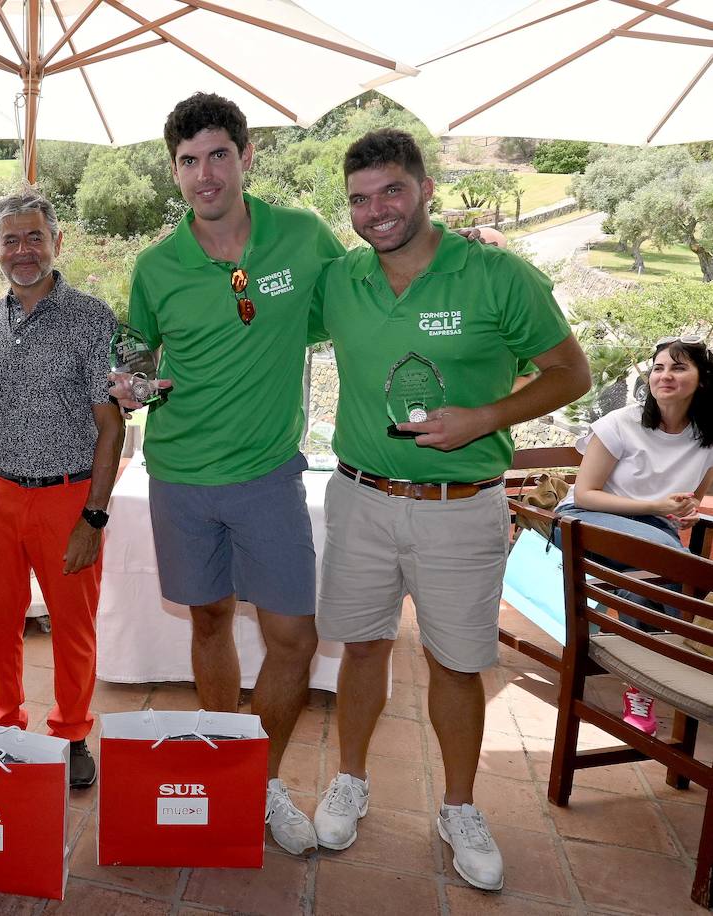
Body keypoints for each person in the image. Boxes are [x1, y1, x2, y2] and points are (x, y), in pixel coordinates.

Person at [308, 129, 591, 891]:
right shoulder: (339, 280)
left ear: (426, 187)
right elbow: (257, 326)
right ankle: (352, 780)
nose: (377, 211)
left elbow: (571, 373)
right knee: (361, 648)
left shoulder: (497, 275)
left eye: (392, 191)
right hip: (361, 497)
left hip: (460, 507)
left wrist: (485, 417)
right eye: (361, 199)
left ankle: (459, 806)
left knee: (458, 664)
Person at [115, 92, 346, 855]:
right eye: (188, 160)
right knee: (209, 619)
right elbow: (135, 355)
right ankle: (223, 768)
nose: (204, 174)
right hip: (179, 474)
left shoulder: (304, 238)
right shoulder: (156, 267)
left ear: (247, 157)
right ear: (173, 172)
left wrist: (453, 252)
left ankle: (263, 779)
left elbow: (363, 298)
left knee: (294, 637)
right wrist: (131, 382)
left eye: (219, 155)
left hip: (268, 474)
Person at [0, 189, 124, 789]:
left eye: (36, 237)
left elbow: (112, 424)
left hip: (67, 494)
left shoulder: (91, 319)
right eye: (12, 240)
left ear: (57, 242)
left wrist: (95, 516)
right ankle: (2, 728)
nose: (24, 251)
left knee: (72, 626)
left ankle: (73, 732)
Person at [556, 336, 713, 733]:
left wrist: (683, 513)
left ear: (702, 379)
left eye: (678, 368)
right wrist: (657, 509)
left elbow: (690, 500)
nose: (665, 376)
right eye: (659, 367)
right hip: (582, 520)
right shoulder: (620, 424)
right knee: (674, 563)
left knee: (645, 583)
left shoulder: (707, 439)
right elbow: (587, 493)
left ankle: (639, 686)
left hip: (651, 537)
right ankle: (682, 659)